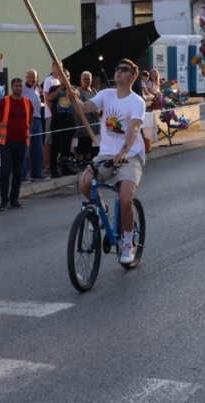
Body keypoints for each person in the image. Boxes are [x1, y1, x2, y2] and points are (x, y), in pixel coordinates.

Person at [69, 58, 147, 265]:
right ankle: (101, 208)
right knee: (85, 182)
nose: (119, 72)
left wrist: (124, 150)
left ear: (133, 76)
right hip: (106, 155)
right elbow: (83, 108)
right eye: (117, 68)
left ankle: (128, 243)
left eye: (124, 69)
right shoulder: (106, 94)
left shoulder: (137, 101)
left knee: (125, 198)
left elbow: (134, 128)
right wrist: (73, 98)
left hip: (129, 155)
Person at [0, 78, 33, 211]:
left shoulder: (28, 102)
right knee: (5, 171)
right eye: (16, 86)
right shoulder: (4, 102)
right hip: (7, 143)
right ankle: (4, 200)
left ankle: (14, 199)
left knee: (18, 172)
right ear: (12, 87)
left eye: (20, 86)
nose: (19, 88)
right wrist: (0, 132)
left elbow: (30, 120)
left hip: (22, 142)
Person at [48, 68, 77, 178]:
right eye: (62, 77)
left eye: (67, 77)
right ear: (59, 78)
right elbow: (50, 98)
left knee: (67, 146)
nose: (65, 79)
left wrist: (72, 93)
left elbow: (77, 99)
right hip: (57, 120)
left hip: (69, 120)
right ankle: (53, 169)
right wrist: (60, 88)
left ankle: (65, 168)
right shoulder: (54, 88)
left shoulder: (73, 89)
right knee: (55, 145)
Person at [21, 69, 44, 182]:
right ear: (26, 77)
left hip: (38, 120)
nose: (31, 79)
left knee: (38, 149)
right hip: (26, 121)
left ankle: (37, 173)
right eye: (29, 77)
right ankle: (23, 175)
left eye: (33, 77)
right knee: (26, 149)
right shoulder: (22, 89)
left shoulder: (37, 89)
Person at [75, 71, 100, 161]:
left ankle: (88, 162)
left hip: (93, 120)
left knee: (89, 142)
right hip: (83, 121)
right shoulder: (78, 91)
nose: (86, 81)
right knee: (82, 143)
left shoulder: (93, 91)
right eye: (84, 79)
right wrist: (92, 110)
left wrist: (98, 110)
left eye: (88, 79)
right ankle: (80, 162)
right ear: (81, 80)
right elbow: (80, 105)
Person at [42, 64, 61, 176]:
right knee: (48, 141)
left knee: (56, 142)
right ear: (52, 68)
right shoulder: (49, 80)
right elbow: (46, 97)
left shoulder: (59, 81)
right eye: (56, 67)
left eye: (60, 67)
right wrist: (52, 113)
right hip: (51, 115)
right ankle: (47, 165)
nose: (58, 69)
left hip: (59, 116)